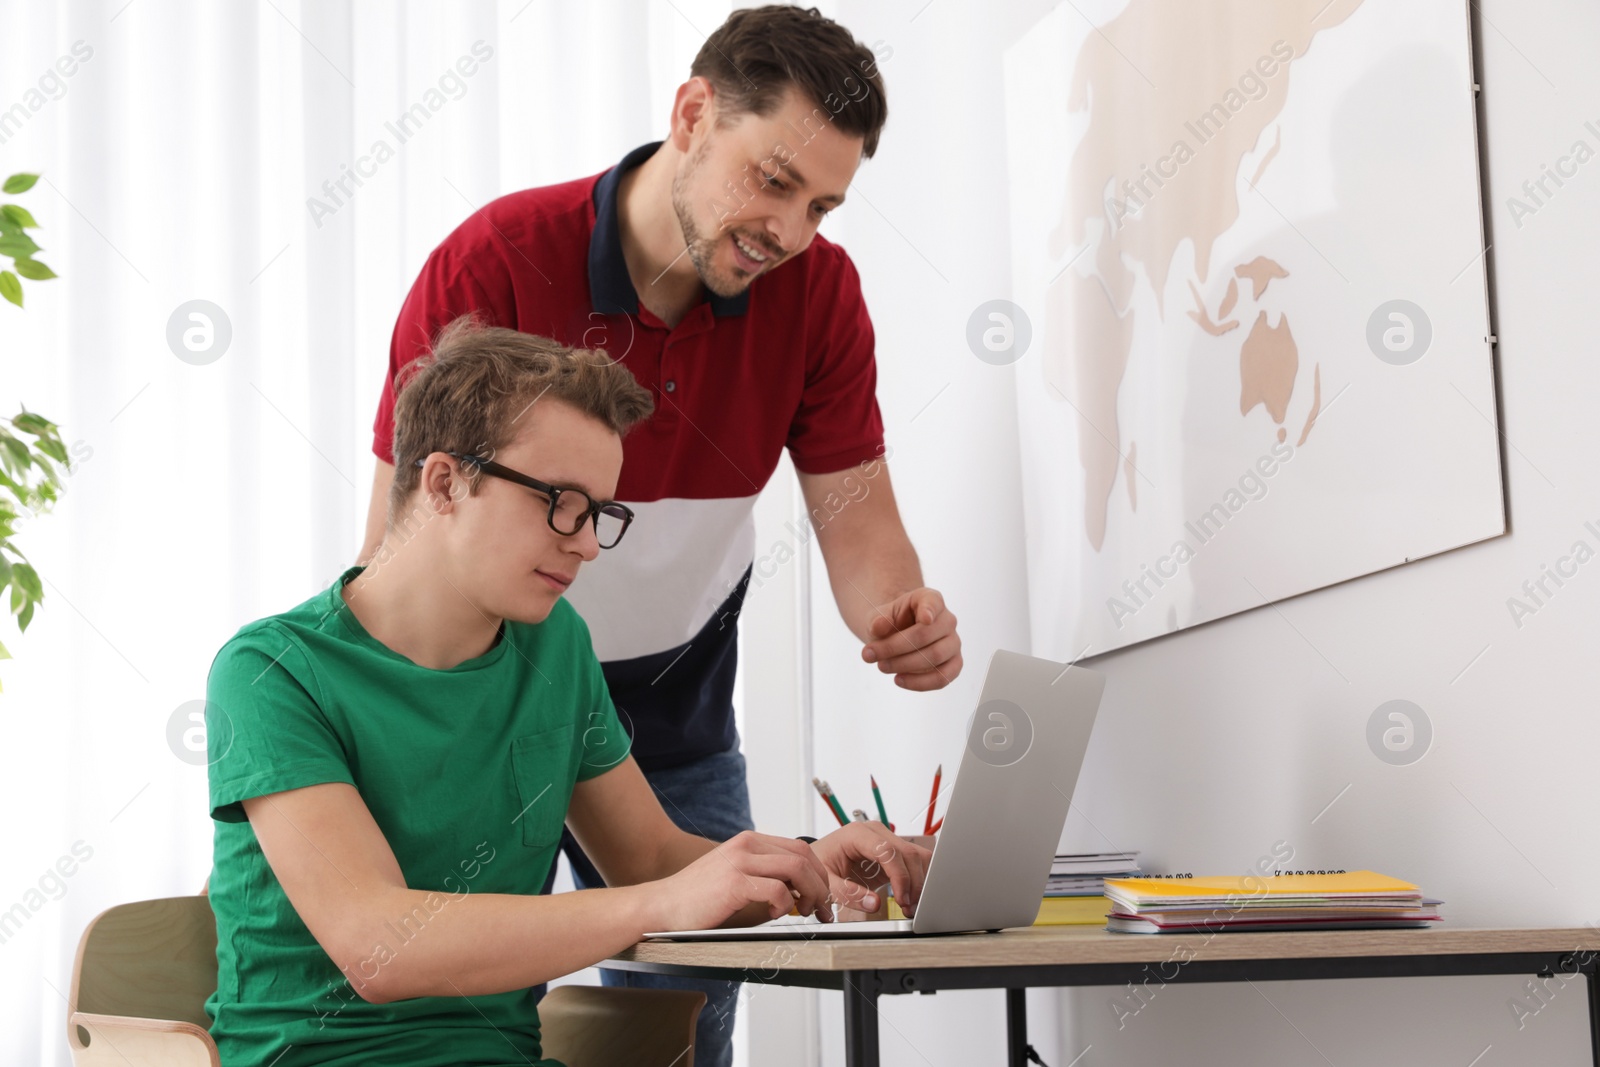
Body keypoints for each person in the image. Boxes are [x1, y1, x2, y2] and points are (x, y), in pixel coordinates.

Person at [357, 7, 961, 1059]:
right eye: (772, 181)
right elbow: (402, 540)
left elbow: (862, 526)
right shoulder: (497, 259)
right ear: (691, 114)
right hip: (484, 697)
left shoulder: (816, 295)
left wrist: (896, 616)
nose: (791, 231)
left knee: (692, 1009)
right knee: (439, 1004)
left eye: (821, 204)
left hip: (672, 709)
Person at [204, 318, 931, 1067]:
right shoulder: (272, 671)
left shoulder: (555, 645)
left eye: (600, 514)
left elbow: (651, 858)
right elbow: (380, 944)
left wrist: (808, 864)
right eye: (561, 501)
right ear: (446, 482)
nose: (586, 542)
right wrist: (658, 903)